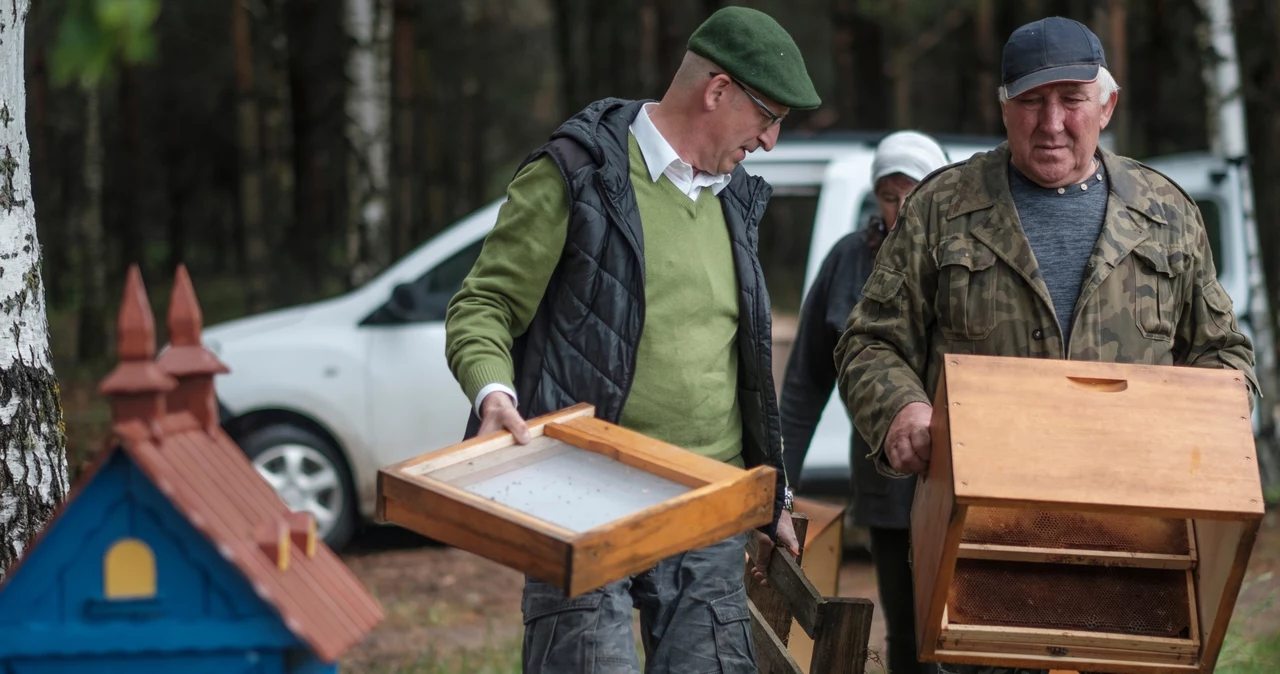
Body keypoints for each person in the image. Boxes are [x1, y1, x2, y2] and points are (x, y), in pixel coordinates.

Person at [834, 16, 1257, 674]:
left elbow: (1224, 356)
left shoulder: (1166, 213)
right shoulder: (943, 208)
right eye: (1031, 101)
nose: (1051, 122)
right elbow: (869, 340)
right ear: (1002, 107)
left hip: (1135, 555)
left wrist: (1207, 435)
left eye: (1071, 100)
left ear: (1106, 105)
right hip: (978, 551)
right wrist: (900, 412)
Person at [443, 7, 820, 672]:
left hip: (708, 501)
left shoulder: (736, 201)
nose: (770, 141)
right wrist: (493, 393)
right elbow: (485, 304)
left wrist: (773, 496)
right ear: (717, 90)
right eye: (768, 117)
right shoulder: (575, 172)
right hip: (581, 496)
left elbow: (746, 373)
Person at [780, 130, 948, 674]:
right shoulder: (849, 261)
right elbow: (806, 381)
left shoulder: (968, 255)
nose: (901, 209)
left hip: (961, 476)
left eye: (914, 194)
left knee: (958, 629)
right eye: (889, 195)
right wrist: (780, 484)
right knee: (905, 631)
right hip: (886, 478)